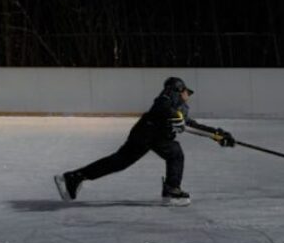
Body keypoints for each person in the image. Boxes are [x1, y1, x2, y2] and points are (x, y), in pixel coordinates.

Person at [54, 76, 235, 204]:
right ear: (178, 90)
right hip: (150, 134)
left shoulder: (179, 106)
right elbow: (162, 105)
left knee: (119, 162)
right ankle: (172, 190)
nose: (189, 95)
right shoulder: (167, 98)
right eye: (187, 91)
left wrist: (218, 135)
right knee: (175, 153)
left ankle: (74, 176)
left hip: (145, 134)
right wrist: (175, 115)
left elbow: (190, 124)